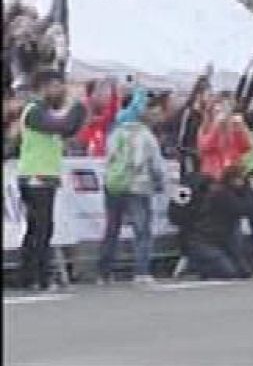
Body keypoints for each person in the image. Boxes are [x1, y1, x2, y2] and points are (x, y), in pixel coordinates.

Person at [15, 69, 87, 290]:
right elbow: (61, 126)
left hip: (46, 175)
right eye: (55, 86)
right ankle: (38, 276)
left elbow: (69, 129)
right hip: (35, 175)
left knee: (38, 227)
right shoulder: (34, 111)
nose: (60, 91)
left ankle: (31, 275)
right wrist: (76, 105)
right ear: (43, 88)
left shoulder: (47, 112)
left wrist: (81, 108)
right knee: (42, 227)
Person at [99, 95, 166, 285]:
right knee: (142, 229)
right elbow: (156, 163)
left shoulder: (115, 131)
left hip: (114, 184)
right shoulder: (145, 134)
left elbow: (109, 156)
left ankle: (104, 272)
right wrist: (160, 183)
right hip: (138, 185)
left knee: (112, 228)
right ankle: (141, 271)